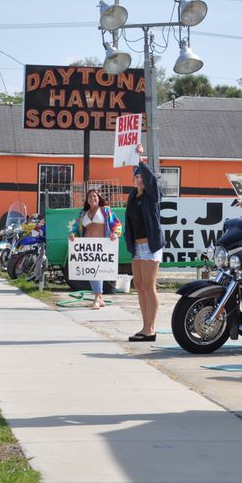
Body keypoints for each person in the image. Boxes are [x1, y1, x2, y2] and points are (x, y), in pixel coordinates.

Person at [123, 144, 164, 342]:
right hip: (137, 247)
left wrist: (140, 159)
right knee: (139, 285)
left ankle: (151, 329)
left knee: (149, 285)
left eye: (141, 176)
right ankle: (145, 326)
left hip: (150, 246)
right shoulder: (132, 196)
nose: (139, 179)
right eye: (136, 176)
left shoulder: (152, 196)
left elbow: (152, 180)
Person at [69, 187, 123, 309]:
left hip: (102, 246)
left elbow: (117, 224)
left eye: (95, 196)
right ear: (87, 200)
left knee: (96, 272)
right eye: (90, 196)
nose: (92, 198)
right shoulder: (82, 214)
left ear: (99, 198)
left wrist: (115, 234)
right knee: (91, 273)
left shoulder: (105, 211)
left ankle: (97, 299)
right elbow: (76, 229)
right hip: (87, 248)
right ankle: (100, 298)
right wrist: (73, 235)